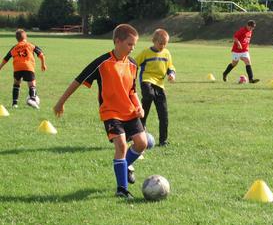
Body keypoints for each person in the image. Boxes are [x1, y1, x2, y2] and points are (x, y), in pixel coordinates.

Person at [53, 24, 147, 199]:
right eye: (129, 44)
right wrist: (61, 102)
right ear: (117, 41)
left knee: (142, 144)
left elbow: (132, 91)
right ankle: (122, 189)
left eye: (134, 45)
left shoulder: (133, 64)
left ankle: (124, 166)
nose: (132, 48)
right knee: (121, 145)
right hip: (110, 112)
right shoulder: (102, 63)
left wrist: (139, 105)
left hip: (129, 111)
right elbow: (78, 80)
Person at [135, 29, 176, 147]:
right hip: (146, 81)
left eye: (165, 43)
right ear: (153, 41)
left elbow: (170, 66)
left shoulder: (167, 53)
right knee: (148, 97)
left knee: (164, 114)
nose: (163, 46)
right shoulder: (146, 53)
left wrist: (171, 74)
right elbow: (134, 63)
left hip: (159, 85)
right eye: (160, 43)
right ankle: (139, 132)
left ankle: (163, 141)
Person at [0, 29, 46, 109]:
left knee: (16, 84)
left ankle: (14, 104)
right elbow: (41, 55)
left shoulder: (14, 48)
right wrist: (43, 64)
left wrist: (0, 67)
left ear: (17, 39)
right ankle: (32, 99)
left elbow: (6, 58)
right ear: (26, 36)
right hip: (28, 67)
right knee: (32, 85)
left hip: (17, 68)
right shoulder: (30, 45)